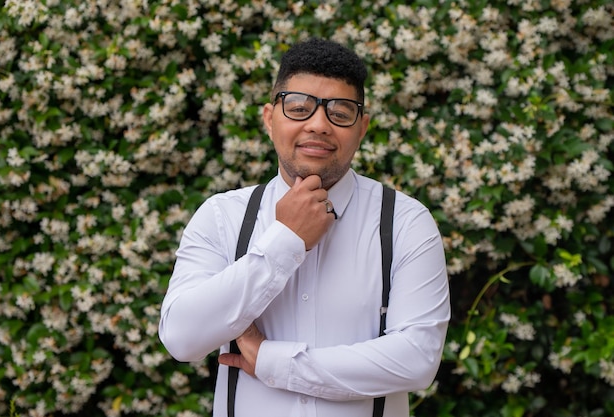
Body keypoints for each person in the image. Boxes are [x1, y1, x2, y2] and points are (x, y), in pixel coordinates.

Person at [159, 37, 451, 417]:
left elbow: (417, 359)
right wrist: (286, 241)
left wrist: (272, 361)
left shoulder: (404, 222)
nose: (318, 125)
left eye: (340, 113)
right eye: (298, 108)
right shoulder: (222, 216)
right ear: (269, 118)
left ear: (362, 128)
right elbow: (182, 338)